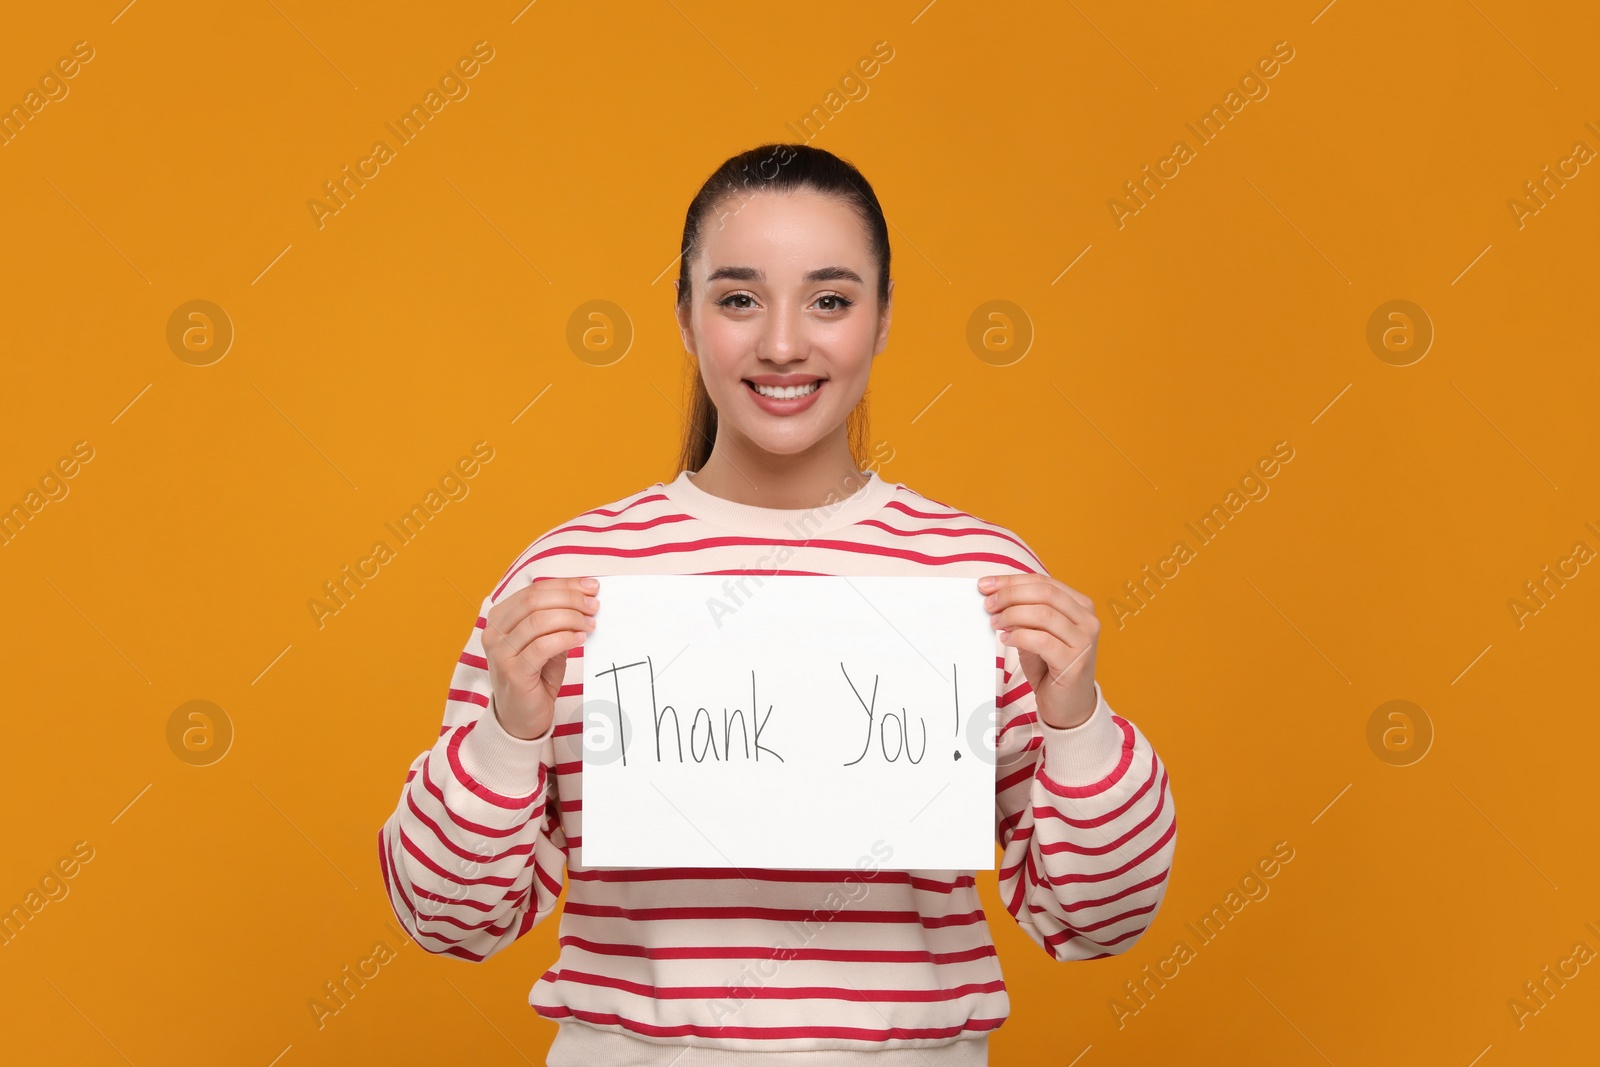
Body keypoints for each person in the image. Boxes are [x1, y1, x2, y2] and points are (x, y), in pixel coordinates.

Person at [377, 142, 1177, 1065]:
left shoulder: (979, 576)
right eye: (739, 297)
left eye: (830, 299)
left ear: (881, 322)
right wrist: (505, 738)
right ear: (685, 318)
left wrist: (1079, 722)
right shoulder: (572, 573)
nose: (784, 342)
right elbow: (445, 918)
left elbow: (1097, 916)